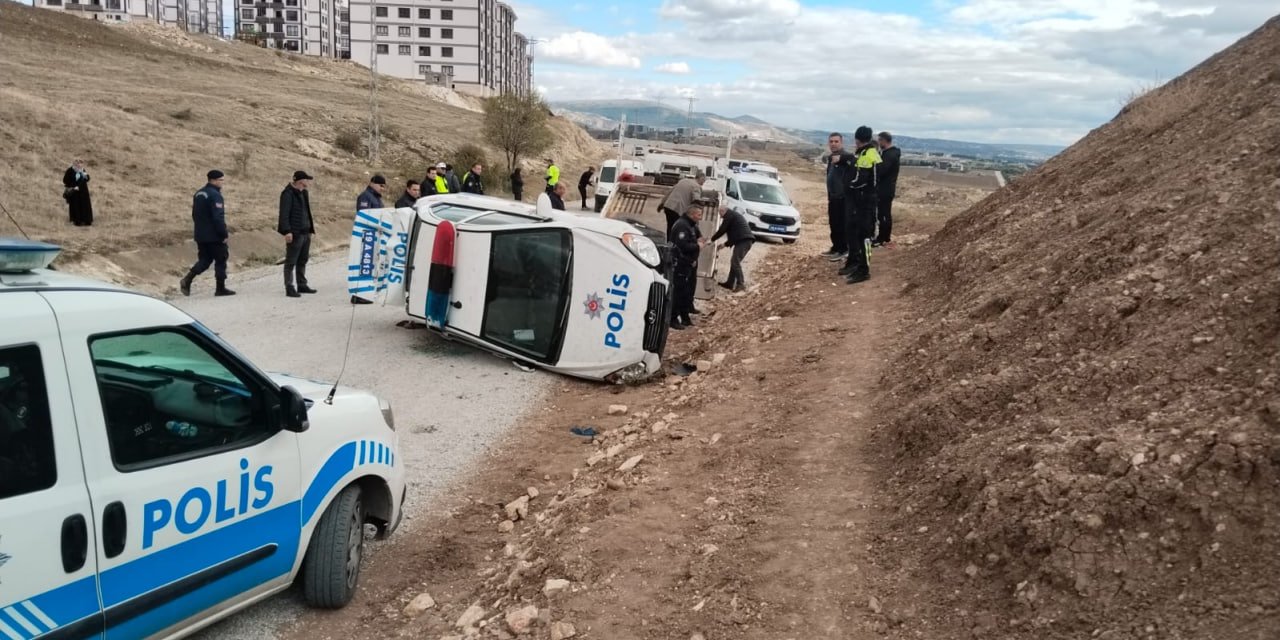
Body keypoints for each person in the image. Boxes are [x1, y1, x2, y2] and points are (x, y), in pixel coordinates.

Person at [835, 126, 882, 284]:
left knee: (865, 236)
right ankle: (855, 262)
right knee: (854, 232)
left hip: (865, 201)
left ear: (857, 139)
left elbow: (861, 180)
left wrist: (847, 185)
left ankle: (864, 269)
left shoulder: (868, 155)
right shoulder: (866, 153)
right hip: (862, 201)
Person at [179, 170, 234, 297]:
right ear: (213, 180)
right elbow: (218, 218)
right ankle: (220, 288)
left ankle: (187, 279)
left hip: (200, 234)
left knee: (205, 260)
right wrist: (223, 234)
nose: (222, 182)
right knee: (221, 259)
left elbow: (194, 214)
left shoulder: (199, 193)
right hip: (214, 236)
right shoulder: (215, 195)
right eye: (221, 180)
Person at [277, 170, 317, 298]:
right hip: (295, 233)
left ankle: (302, 284)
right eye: (306, 180)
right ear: (300, 181)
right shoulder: (287, 194)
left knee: (303, 260)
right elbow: (284, 214)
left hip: (306, 232)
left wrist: (310, 229)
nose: (308, 182)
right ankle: (289, 287)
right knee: (291, 261)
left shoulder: (304, 193)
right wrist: (287, 231)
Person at [669, 204, 706, 329]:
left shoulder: (691, 225)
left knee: (686, 291)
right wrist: (698, 246)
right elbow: (682, 246)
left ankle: (685, 317)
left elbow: (699, 237)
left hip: (689, 263)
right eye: (699, 215)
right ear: (692, 214)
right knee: (678, 292)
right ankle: (672, 318)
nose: (700, 218)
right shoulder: (682, 225)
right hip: (680, 264)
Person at [822, 133, 851, 261]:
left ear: (841, 143)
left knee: (841, 224)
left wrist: (841, 159)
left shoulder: (844, 156)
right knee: (833, 223)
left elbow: (852, 158)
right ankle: (835, 247)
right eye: (831, 141)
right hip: (832, 197)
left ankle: (843, 249)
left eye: (836, 141)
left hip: (842, 198)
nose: (833, 144)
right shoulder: (831, 158)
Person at [711, 206, 753, 292]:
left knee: (735, 262)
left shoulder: (729, 215)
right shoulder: (732, 216)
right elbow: (735, 235)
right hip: (743, 240)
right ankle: (730, 283)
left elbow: (722, 229)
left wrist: (712, 239)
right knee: (734, 261)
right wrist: (725, 244)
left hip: (744, 241)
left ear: (723, 211)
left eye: (720, 214)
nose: (721, 216)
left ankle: (741, 284)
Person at [657, 171, 705, 237]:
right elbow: (696, 199)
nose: (703, 183)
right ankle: (675, 244)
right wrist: (701, 205)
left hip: (668, 206)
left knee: (670, 226)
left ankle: (669, 243)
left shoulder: (683, 180)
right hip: (678, 209)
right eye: (703, 181)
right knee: (679, 228)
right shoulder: (696, 186)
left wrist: (662, 204)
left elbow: (670, 192)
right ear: (701, 178)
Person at [874, 131, 901, 246]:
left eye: (880, 140)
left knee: (884, 214)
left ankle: (883, 238)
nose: (879, 143)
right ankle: (884, 236)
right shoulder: (888, 153)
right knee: (883, 213)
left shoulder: (889, 155)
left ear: (884, 140)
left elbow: (882, 170)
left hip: (885, 189)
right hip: (885, 188)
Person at [62, 160, 93, 226]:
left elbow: (87, 179)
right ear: (74, 164)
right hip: (74, 192)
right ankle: (77, 221)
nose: (78, 166)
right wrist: (73, 186)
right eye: (77, 164)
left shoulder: (82, 170)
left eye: (80, 164)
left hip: (83, 192)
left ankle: (87, 220)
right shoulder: (70, 171)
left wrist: (84, 174)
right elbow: (65, 180)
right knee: (75, 206)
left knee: (85, 206)